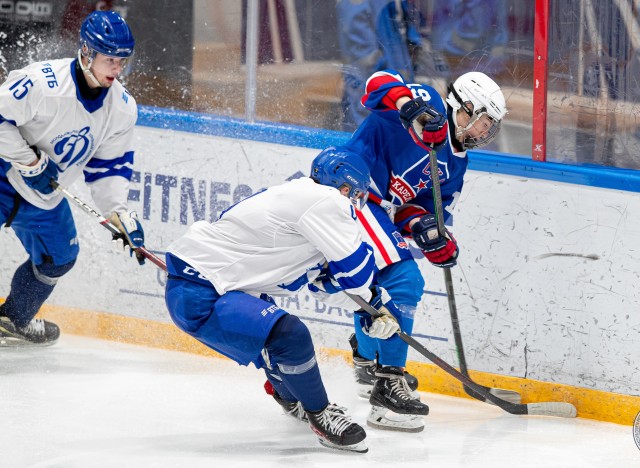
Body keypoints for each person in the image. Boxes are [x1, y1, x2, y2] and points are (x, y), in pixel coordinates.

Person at [164, 149, 403, 453]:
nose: (357, 200)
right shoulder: (324, 201)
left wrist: (369, 306)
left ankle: (293, 400)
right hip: (202, 292)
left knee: (277, 337)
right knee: (290, 335)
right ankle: (321, 415)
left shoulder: (303, 204)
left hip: (202, 287)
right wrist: (377, 306)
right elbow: (356, 273)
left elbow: (324, 283)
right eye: (357, 193)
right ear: (346, 188)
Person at [334, 68, 507, 432]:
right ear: (466, 109)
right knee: (406, 279)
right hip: (350, 186)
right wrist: (409, 107)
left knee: (384, 286)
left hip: (378, 211)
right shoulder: (428, 103)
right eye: (483, 123)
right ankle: (388, 383)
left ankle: (367, 361)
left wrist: (429, 232)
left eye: (491, 128)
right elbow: (376, 84)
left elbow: (418, 209)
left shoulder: (456, 165)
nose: (484, 133)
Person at [0, 10, 144, 346]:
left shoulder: (122, 108)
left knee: (60, 257)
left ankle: (13, 319)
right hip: (3, 174)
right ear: (87, 52)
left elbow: (109, 168)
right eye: (110, 59)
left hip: (44, 196)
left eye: (123, 60)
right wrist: (30, 161)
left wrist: (119, 212)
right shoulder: (42, 82)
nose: (118, 69)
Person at [336, 0, 450, 132]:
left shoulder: (393, 4)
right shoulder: (360, 6)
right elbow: (363, 70)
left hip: (397, 98)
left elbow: (406, 39)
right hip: (377, 103)